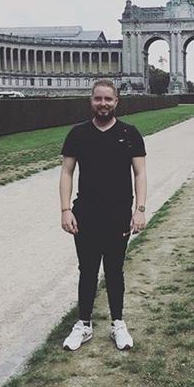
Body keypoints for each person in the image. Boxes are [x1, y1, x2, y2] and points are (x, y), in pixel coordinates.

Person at [59, 79, 147, 351]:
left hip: (118, 213)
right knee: (87, 270)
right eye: (98, 99)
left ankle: (117, 323)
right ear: (91, 101)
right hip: (85, 212)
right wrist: (65, 209)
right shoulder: (78, 133)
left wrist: (139, 209)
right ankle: (83, 324)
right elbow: (66, 172)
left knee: (114, 272)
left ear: (116, 101)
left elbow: (140, 173)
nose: (103, 104)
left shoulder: (130, 133)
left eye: (108, 99)